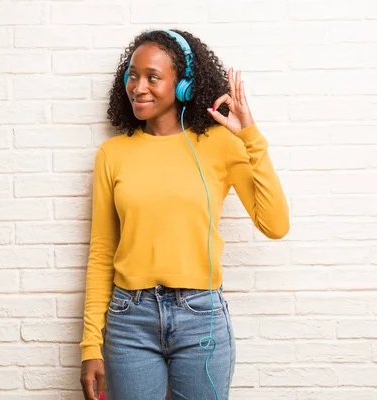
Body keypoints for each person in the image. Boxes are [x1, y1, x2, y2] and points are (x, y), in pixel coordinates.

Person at [79, 29, 289, 400]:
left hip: (200, 318)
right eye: (132, 74)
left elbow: (275, 224)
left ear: (184, 86)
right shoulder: (112, 155)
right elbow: (101, 252)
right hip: (129, 320)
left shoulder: (220, 144)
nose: (138, 87)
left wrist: (249, 135)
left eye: (153, 77)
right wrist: (90, 345)